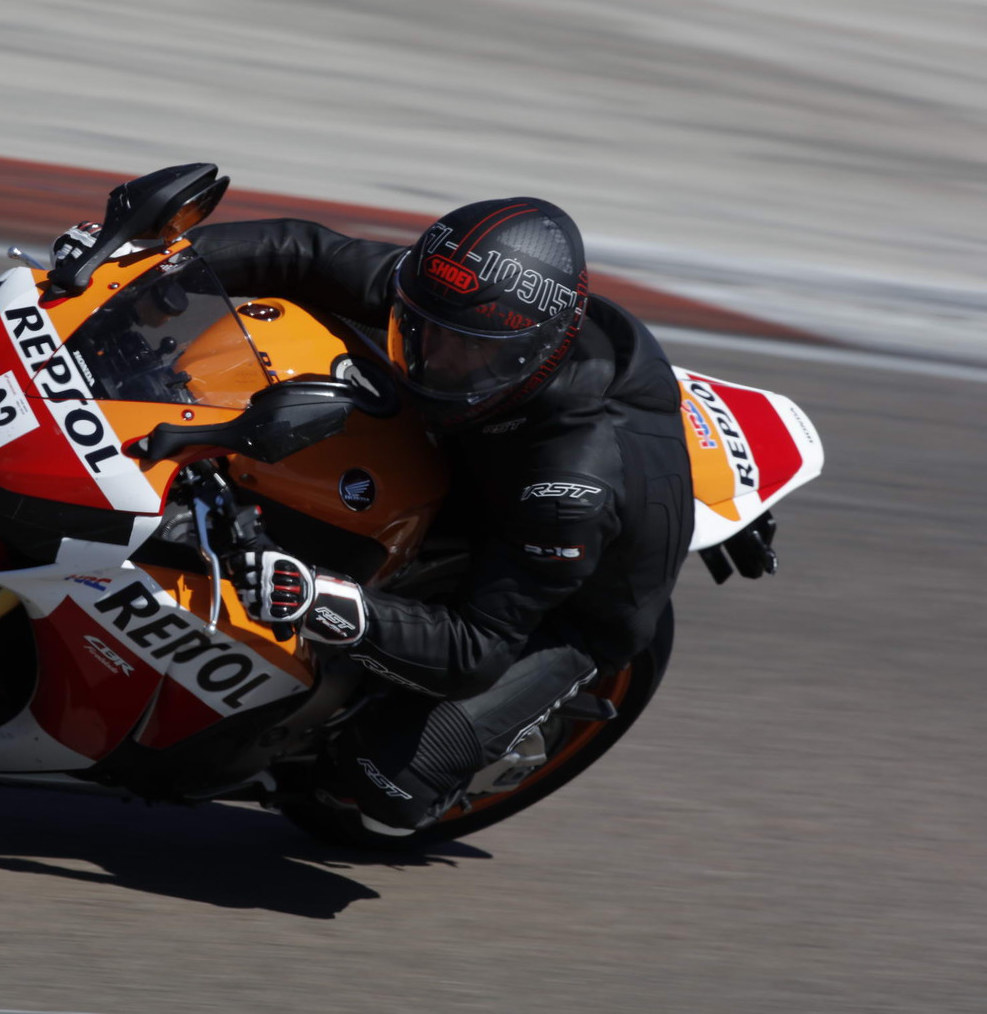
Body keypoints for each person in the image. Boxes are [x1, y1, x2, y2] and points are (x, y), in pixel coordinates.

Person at [186, 199, 695, 835]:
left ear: (533, 352)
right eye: (422, 328)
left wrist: (321, 600)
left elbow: (477, 648)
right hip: (477, 464)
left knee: (385, 788)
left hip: (566, 607)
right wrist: (147, 257)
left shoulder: (570, 481)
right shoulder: (457, 298)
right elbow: (305, 254)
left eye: (469, 350)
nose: (435, 357)